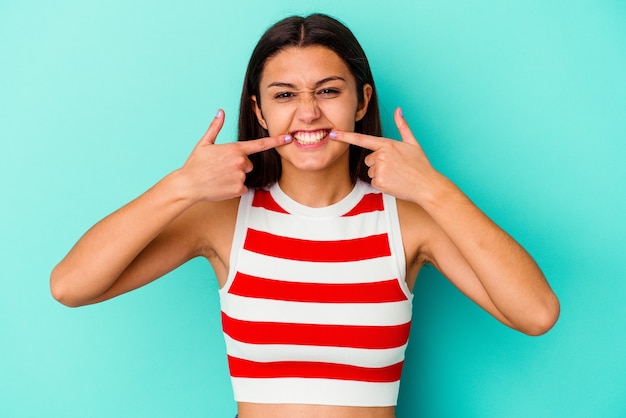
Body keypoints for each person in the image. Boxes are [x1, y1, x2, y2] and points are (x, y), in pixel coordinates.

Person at [50, 13, 559, 418]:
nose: (308, 112)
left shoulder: (408, 220)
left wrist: (434, 189)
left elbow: (536, 314)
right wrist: (180, 187)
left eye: (329, 90)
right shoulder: (223, 219)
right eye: (285, 95)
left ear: (362, 101)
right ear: (260, 109)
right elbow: (71, 285)